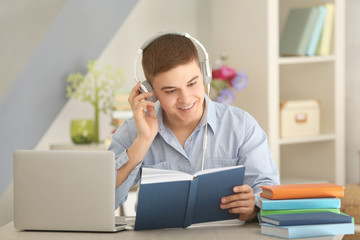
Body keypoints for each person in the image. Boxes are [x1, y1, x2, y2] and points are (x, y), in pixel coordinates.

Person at [108, 32, 279, 221]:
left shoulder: (241, 125)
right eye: (171, 91)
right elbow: (103, 203)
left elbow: (270, 193)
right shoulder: (133, 131)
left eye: (192, 83)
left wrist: (253, 207)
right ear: (150, 92)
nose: (186, 98)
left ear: (205, 75)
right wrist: (143, 140)